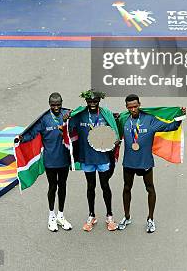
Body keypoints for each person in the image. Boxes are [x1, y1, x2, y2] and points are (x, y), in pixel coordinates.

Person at [117, 94, 186, 234]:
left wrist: (180, 116)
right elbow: (113, 128)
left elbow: (170, 126)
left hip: (145, 161)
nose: (133, 109)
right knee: (126, 188)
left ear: (139, 104)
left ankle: (150, 219)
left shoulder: (149, 119)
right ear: (126, 107)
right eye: (130, 107)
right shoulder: (124, 119)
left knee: (150, 188)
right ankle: (127, 217)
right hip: (129, 162)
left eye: (135, 106)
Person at [17, 92, 72, 232]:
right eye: (53, 105)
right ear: (49, 105)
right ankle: (51, 216)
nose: (56, 107)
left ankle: (61, 215)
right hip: (50, 161)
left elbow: (82, 118)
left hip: (64, 159)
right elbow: (32, 133)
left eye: (58, 104)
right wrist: (21, 139)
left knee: (63, 186)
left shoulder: (68, 114)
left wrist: (69, 118)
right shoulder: (44, 119)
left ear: (62, 103)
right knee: (53, 187)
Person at [67, 90, 119, 232]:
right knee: (90, 186)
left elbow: (115, 130)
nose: (92, 104)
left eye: (95, 101)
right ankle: (92, 215)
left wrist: (114, 140)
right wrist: (67, 117)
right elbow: (67, 126)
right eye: (90, 102)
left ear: (99, 101)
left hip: (103, 158)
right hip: (87, 157)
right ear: (86, 102)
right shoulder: (80, 115)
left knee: (105, 185)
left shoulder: (105, 114)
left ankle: (109, 215)